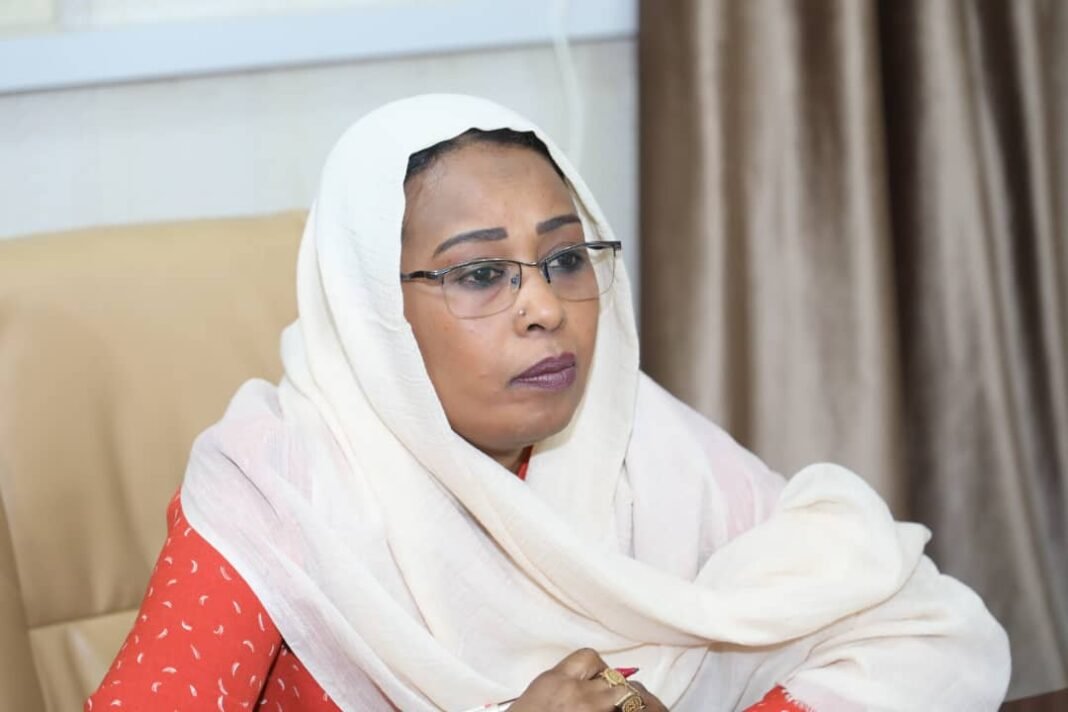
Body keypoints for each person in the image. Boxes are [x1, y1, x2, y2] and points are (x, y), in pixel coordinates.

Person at [86, 94, 1010, 711]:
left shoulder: (636, 434)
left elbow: (922, 630)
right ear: (372, 310)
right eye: (479, 274)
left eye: (566, 258)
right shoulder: (277, 488)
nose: (545, 308)